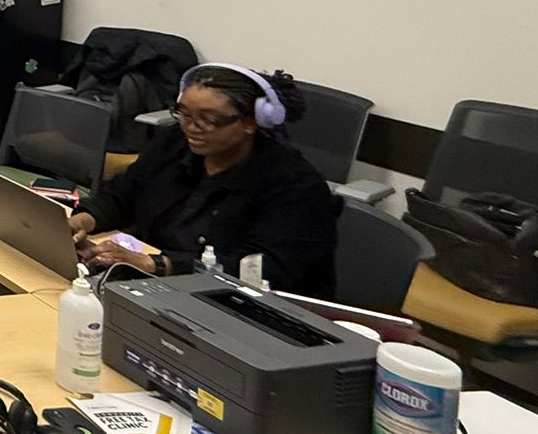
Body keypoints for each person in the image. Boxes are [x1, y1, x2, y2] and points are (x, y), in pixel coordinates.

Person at [71, 64, 340, 296]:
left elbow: (261, 269)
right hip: (155, 285)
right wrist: (84, 220)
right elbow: (124, 193)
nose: (191, 127)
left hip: (235, 303)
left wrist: (157, 265)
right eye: (184, 113)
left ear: (251, 122)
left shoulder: (295, 186)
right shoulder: (173, 143)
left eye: (209, 119)